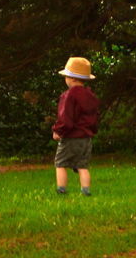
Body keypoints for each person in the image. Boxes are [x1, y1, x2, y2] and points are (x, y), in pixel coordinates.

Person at [52, 55, 99, 196]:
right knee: (82, 166)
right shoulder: (91, 96)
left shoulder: (69, 95)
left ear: (71, 78)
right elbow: (95, 117)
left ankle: (61, 189)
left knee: (60, 164)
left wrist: (58, 131)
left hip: (71, 137)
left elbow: (65, 117)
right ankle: (85, 190)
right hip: (86, 137)